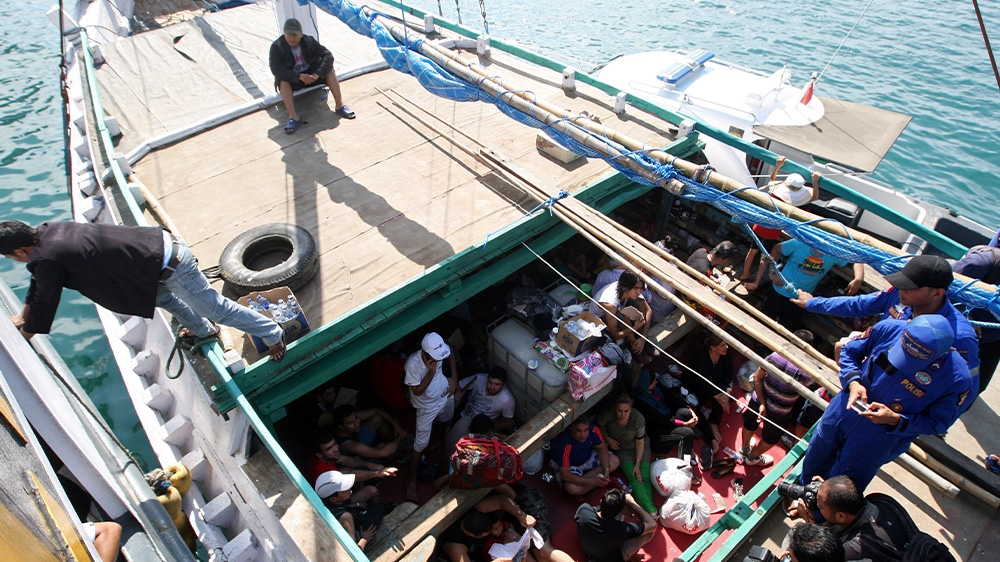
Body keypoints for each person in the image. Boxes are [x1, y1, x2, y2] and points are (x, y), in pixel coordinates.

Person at [0, 220, 286, 360]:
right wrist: (22, 316)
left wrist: (24, 336)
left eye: (13, 257)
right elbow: (39, 287)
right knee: (164, 299)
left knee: (216, 309)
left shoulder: (46, 257)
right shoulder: (50, 231)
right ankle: (202, 330)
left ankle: (273, 333)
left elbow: (45, 301)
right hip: (150, 262)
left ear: (19, 250)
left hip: (172, 264)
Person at [799, 315, 973, 490]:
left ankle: (818, 515)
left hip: (879, 438)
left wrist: (896, 420)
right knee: (816, 456)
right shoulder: (888, 329)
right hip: (842, 412)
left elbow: (937, 423)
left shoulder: (957, 379)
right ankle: (802, 494)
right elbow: (850, 351)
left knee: (844, 485)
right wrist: (853, 382)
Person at [792, 254, 981, 395]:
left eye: (909, 286)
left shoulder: (960, 336)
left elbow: (964, 385)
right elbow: (858, 304)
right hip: (867, 373)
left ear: (937, 293)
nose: (901, 289)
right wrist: (812, 303)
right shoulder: (898, 295)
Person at [739, 330, 818, 468]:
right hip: (780, 411)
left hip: (759, 399)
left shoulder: (775, 356)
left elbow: (757, 378)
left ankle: (744, 449)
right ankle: (752, 457)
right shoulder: (806, 373)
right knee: (771, 438)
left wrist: (763, 403)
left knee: (749, 423)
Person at [786, 475, 912, 562]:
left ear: (841, 516)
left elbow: (821, 550)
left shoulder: (853, 549)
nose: (816, 506)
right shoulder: (881, 501)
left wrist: (809, 520)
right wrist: (829, 490)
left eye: (820, 507)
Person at [740, 156, 822, 284]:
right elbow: (815, 196)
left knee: (752, 251)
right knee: (765, 257)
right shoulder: (795, 203)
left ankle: (745, 274)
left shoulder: (775, 193)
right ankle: (756, 282)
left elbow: (772, 180)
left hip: (761, 223)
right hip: (773, 230)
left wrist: (778, 166)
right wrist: (815, 181)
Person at [753, 238, 864, 331]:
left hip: (801, 300)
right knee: (763, 324)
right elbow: (776, 249)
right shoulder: (799, 243)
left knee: (787, 330)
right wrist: (772, 272)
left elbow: (856, 259)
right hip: (778, 291)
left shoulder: (833, 252)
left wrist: (858, 279)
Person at [269, 18, 355, 135]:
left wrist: (317, 74)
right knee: (283, 81)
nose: (292, 38)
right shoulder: (276, 47)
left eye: (295, 35)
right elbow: (276, 69)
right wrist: (298, 76)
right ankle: (293, 117)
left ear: (301, 34)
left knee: (329, 70)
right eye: (289, 34)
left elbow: (328, 56)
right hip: (294, 78)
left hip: (311, 74)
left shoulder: (309, 41)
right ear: (284, 32)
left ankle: (340, 105)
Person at [440, 492, 573, 562]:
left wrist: (521, 516)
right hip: (497, 549)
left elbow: (502, 500)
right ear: (473, 536)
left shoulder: (477, 510)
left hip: (523, 508)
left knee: (542, 553)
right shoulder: (456, 547)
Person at [405, 331, 458, 501]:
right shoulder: (412, 364)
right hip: (426, 407)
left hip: (445, 394)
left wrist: (454, 378)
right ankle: (412, 479)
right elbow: (417, 392)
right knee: (420, 444)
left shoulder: (442, 349)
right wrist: (431, 372)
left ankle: (438, 438)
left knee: (446, 419)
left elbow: (451, 353)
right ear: (426, 354)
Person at [596, 395, 657, 516]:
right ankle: (651, 511)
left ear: (631, 409)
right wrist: (608, 438)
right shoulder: (608, 415)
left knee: (643, 476)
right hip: (623, 449)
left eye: (626, 411)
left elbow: (640, 441)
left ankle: (649, 509)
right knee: (634, 477)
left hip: (640, 447)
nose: (623, 414)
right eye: (620, 411)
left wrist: (638, 464)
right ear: (615, 409)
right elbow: (598, 425)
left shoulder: (638, 418)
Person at [950, 243, 1000, 392]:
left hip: (993, 340)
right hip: (958, 328)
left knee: (974, 388)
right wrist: (964, 314)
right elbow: (941, 284)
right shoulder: (981, 261)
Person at [305, 430, 396, 505]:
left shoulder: (324, 457)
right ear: (319, 454)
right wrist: (377, 474)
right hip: (335, 502)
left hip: (336, 488)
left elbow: (345, 460)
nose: (336, 448)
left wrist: (369, 465)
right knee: (372, 490)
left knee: (356, 461)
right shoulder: (324, 471)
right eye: (329, 448)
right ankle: (376, 508)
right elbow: (354, 476)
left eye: (335, 444)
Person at [631, 368, 700, 462]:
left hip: (667, 420)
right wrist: (684, 424)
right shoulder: (640, 402)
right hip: (657, 433)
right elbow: (660, 419)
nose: (656, 381)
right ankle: (685, 461)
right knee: (687, 433)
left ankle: (688, 446)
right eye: (653, 381)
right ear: (645, 383)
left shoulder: (656, 387)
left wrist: (691, 410)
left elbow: (672, 398)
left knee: (685, 413)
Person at [574, 489, 657, 562]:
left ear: (601, 501)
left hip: (590, 549)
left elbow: (596, 509)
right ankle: (631, 556)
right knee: (649, 532)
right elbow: (652, 524)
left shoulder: (583, 510)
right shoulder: (621, 529)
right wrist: (632, 503)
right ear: (619, 511)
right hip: (610, 558)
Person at [446, 367, 516, 451]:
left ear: (503, 385)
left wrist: (511, 434)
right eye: (490, 382)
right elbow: (458, 385)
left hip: (482, 428)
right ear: (487, 379)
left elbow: (508, 422)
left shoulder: (507, 400)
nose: (492, 387)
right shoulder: (479, 378)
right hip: (465, 416)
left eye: (497, 384)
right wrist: (459, 394)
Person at [686, 333, 734, 452]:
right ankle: (709, 436)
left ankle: (714, 423)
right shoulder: (700, 357)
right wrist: (718, 396)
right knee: (694, 407)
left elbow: (729, 375)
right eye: (722, 345)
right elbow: (702, 380)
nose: (726, 347)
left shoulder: (726, 355)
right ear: (713, 348)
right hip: (697, 385)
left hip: (716, 385)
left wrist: (727, 392)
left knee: (723, 392)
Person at [548, 417, 620, 496]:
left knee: (614, 461)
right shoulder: (565, 443)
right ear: (571, 428)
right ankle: (592, 481)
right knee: (573, 489)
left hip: (588, 458)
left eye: (586, 430)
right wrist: (590, 481)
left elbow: (602, 448)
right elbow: (565, 475)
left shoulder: (593, 429)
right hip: (572, 466)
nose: (583, 435)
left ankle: (589, 481)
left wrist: (606, 470)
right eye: (579, 431)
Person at [315, 471, 383, 551]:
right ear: (333, 499)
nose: (350, 490)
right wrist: (364, 539)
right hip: (358, 535)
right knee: (377, 509)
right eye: (344, 490)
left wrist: (357, 505)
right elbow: (354, 550)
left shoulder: (326, 503)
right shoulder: (346, 517)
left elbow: (341, 506)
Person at [590, 270, 653, 356]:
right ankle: (633, 344)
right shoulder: (610, 302)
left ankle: (640, 340)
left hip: (620, 310)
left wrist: (643, 337)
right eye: (636, 288)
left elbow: (649, 311)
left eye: (641, 288)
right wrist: (635, 328)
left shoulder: (631, 292)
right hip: (600, 319)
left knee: (640, 303)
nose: (639, 292)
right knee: (624, 315)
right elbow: (615, 334)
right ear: (625, 287)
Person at [331, 403, 409, 461]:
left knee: (376, 418)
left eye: (356, 418)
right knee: (383, 447)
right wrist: (399, 436)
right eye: (351, 423)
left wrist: (395, 424)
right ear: (341, 427)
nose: (357, 423)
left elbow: (376, 410)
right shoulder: (349, 445)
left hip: (357, 438)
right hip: (361, 460)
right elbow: (385, 452)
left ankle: (403, 442)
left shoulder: (351, 417)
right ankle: (405, 456)